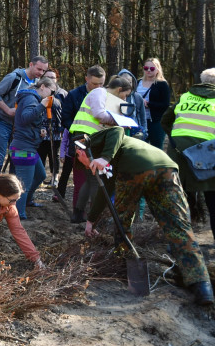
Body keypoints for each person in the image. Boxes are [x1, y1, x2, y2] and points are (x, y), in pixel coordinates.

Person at [80, 126, 213, 306]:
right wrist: (91, 220)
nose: (85, 166)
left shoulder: (90, 141)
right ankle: (201, 285)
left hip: (135, 168)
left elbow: (117, 130)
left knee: (122, 221)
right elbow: (106, 189)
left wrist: (104, 157)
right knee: (179, 227)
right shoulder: (110, 158)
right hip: (166, 169)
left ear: (80, 152)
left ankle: (123, 264)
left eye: (81, 161)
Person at [68, 74, 133, 222]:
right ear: (119, 89)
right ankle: (95, 217)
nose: (125, 99)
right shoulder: (99, 92)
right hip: (86, 139)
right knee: (96, 179)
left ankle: (78, 214)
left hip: (90, 139)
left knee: (91, 177)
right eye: (125, 95)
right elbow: (99, 115)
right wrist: (119, 122)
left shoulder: (107, 98)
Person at [162, 68, 215, 241]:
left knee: (178, 201)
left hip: (179, 156)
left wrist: (178, 140)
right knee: (213, 203)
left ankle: (177, 245)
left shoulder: (185, 97)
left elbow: (165, 121)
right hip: (208, 158)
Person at [56, 65, 106, 204]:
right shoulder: (74, 94)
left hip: (100, 142)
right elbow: (65, 118)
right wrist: (78, 131)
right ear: (86, 79)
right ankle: (78, 213)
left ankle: (95, 212)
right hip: (79, 142)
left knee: (99, 180)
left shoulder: (106, 95)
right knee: (81, 181)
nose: (98, 87)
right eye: (94, 83)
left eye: (101, 84)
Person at [0, 56, 49, 171]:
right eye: (39, 69)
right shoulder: (14, 77)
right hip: (4, 122)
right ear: (31, 64)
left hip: (20, 128)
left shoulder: (38, 84)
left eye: (43, 70)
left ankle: (13, 188)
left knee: (16, 161)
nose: (41, 73)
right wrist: (8, 110)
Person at [11, 76, 57, 219]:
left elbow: (27, 122)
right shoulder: (31, 99)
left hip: (29, 145)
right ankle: (19, 215)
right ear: (42, 87)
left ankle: (27, 202)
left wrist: (39, 131)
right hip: (22, 148)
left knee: (40, 175)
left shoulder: (33, 99)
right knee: (23, 184)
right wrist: (42, 106)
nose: (51, 96)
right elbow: (25, 118)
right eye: (51, 91)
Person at [38, 68, 66, 187]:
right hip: (41, 128)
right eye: (47, 77)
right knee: (41, 153)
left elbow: (66, 111)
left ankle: (55, 178)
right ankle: (39, 178)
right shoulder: (40, 91)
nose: (50, 79)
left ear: (57, 79)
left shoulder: (62, 93)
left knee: (54, 154)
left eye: (52, 77)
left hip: (56, 129)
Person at [138, 58, 172, 148]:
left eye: (152, 68)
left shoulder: (162, 84)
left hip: (156, 122)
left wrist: (148, 104)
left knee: (156, 148)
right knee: (139, 149)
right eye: (146, 68)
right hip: (139, 120)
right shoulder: (138, 82)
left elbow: (165, 105)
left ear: (157, 70)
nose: (148, 70)